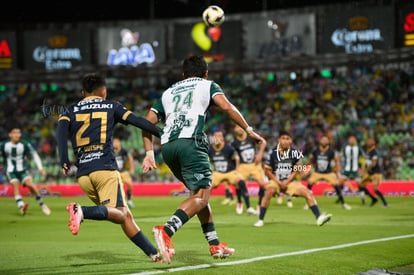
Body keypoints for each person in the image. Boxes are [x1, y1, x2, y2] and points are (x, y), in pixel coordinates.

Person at [141, 55, 265, 264]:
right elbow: (226, 107)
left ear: (183, 75)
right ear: (206, 73)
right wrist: (248, 129)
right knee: (201, 195)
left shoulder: (168, 92)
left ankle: (215, 244)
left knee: (197, 196)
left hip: (168, 147)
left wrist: (149, 153)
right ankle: (166, 231)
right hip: (191, 142)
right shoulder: (207, 85)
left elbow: (146, 123)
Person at [56, 73, 163, 263]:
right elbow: (137, 121)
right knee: (120, 212)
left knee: (123, 215)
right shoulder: (111, 105)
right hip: (104, 169)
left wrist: (64, 159)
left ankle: (153, 253)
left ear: (83, 92)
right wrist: (162, 133)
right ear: (104, 91)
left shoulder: (69, 110)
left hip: (83, 176)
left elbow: (61, 132)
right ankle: (82, 211)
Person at [254, 130, 332, 227]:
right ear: (279, 140)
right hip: (275, 182)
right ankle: (260, 220)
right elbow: (267, 170)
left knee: (308, 193)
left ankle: (319, 218)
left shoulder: (295, 153)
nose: (285, 141)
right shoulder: (273, 153)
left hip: (290, 182)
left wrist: (287, 181)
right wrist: (278, 182)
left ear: (291, 140)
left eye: (288, 139)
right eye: (283, 138)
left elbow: (296, 170)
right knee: (269, 191)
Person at [0, 128, 51, 216]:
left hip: (23, 170)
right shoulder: (4, 145)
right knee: (16, 186)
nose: (17, 135)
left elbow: (34, 155)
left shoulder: (25, 144)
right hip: (11, 170)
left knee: (30, 185)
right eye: (15, 133)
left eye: (18, 133)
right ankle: (21, 207)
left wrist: (40, 168)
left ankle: (42, 204)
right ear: (10, 135)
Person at [209, 129, 257, 215]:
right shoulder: (210, 149)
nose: (218, 138)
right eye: (216, 136)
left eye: (220, 136)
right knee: (206, 187)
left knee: (241, 182)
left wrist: (237, 169)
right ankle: (201, 209)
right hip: (218, 173)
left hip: (230, 172)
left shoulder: (228, 148)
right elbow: (206, 160)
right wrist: (209, 171)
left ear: (223, 138)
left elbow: (237, 157)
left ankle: (248, 207)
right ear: (213, 138)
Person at [306, 135, 352, 210]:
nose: (324, 141)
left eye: (325, 140)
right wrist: (306, 168)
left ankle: (343, 203)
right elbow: (310, 159)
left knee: (336, 185)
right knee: (309, 185)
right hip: (317, 172)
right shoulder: (316, 150)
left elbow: (336, 161)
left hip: (328, 172)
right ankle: (308, 204)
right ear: (320, 141)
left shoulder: (331, 151)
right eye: (323, 140)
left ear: (328, 142)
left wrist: (337, 172)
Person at [231, 124, 269, 212]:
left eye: (240, 126)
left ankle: (260, 205)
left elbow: (263, 142)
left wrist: (260, 154)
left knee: (262, 184)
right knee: (238, 183)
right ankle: (240, 202)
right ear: (234, 130)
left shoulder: (251, 136)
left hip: (254, 164)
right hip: (242, 166)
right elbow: (233, 155)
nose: (239, 129)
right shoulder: (234, 143)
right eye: (237, 127)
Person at [338, 134, 376, 205]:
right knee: (340, 183)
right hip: (346, 170)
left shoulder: (358, 149)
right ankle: (340, 199)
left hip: (355, 170)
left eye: (353, 139)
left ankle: (368, 197)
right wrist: (339, 166)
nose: (352, 141)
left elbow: (364, 158)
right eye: (351, 139)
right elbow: (339, 157)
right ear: (349, 141)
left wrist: (362, 168)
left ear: (355, 141)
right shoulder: (345, 148)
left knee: (360, 185)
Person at [360, 138, 388, 207]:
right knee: (361, 185)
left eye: (369, 141)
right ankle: (373, 199)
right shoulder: (368, 151)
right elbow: (367, 162)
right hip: (370, 173)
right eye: (367, 141)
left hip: (376, 173)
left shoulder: (374, 152)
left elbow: (373, 164)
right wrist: (363, 168)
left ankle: (385, 204)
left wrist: (365, 169)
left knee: (375, 189)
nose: (367, 142)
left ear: (373, 143)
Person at [113, 137, 135, 208]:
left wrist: (131, 168)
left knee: (129, 184)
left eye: (117, 142)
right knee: (116, 187)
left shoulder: (123, 151)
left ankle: (129, 200)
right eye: (114, 142)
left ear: (119, 143)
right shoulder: (110, 150)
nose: (115, 144)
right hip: (114, 171)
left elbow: (130, 158)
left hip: (123, 171)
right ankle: (118, 201)